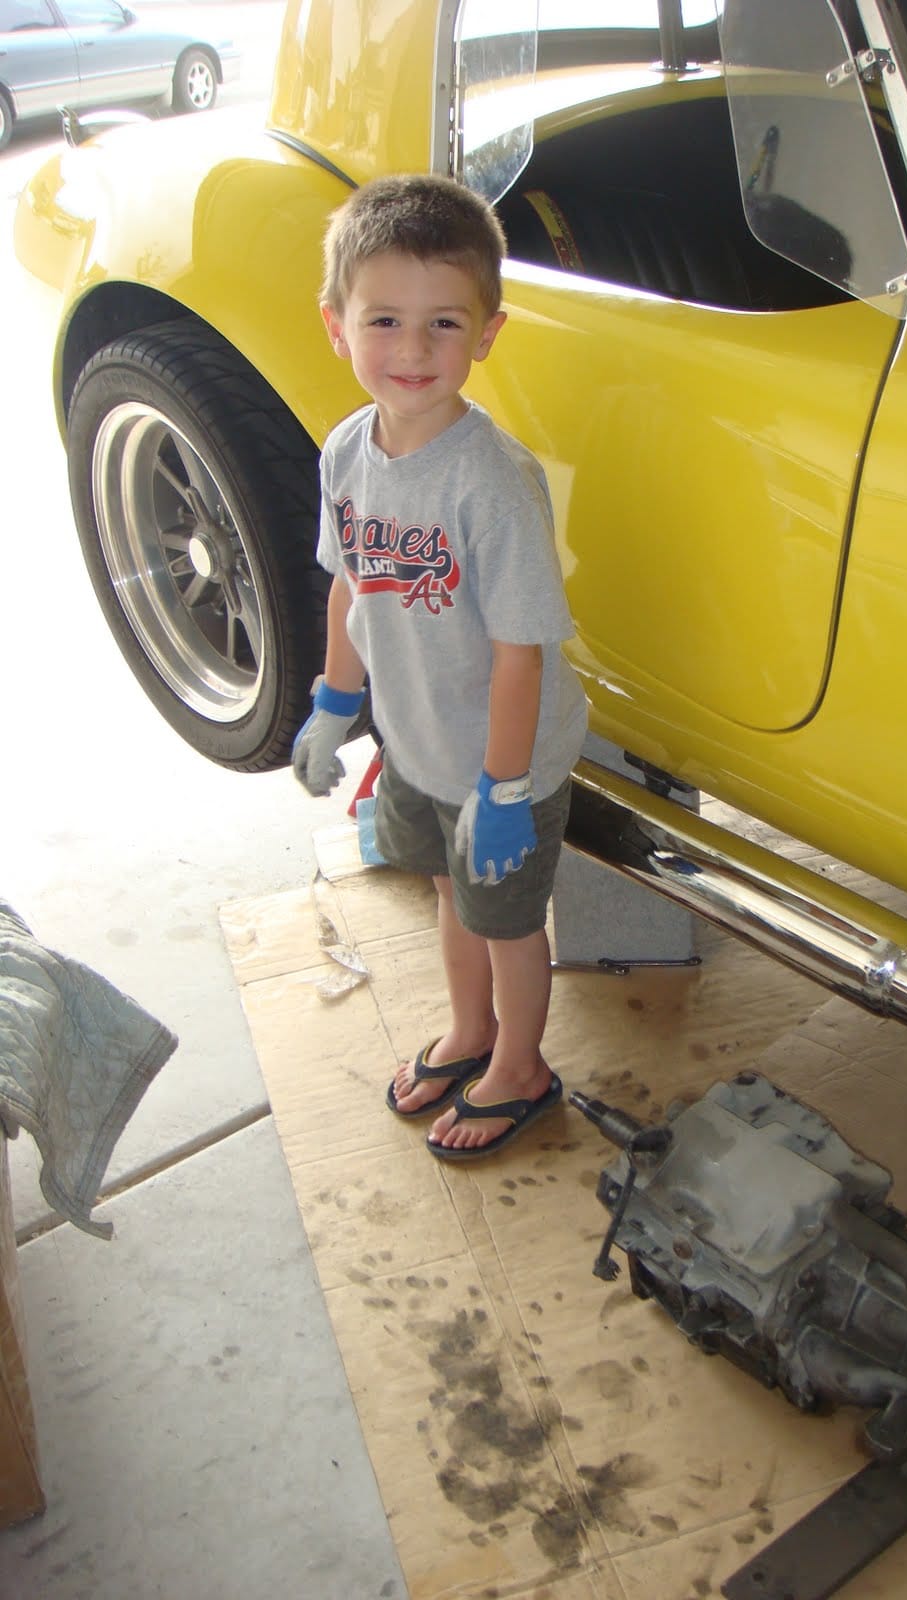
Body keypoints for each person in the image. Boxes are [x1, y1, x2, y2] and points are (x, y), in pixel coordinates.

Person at [292, 174, 587, 1161]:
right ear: (338, 325)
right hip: (416, 740)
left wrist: (504, 789)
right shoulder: (345, 451)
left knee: (508, 919)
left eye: (444, 324)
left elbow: (521, 650)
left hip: (503, 761)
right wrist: (336, 702)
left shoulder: (491, 484)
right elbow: (348, 585)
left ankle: (522, 1066)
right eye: (385, 320)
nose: (413, 352)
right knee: (447, 892)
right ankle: (470, 1033)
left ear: (488, 332)